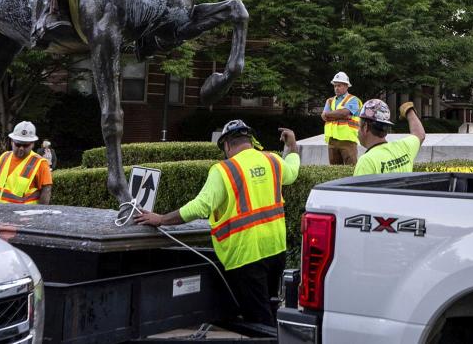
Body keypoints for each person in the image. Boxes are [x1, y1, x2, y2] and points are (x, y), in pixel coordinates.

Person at [135, 120, 300, 325]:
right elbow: (293, 173)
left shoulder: (224, 170)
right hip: (276, 250)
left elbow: (200, 206)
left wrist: (161, 219)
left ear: (227, 145)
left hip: (246, 255)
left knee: (259, 321)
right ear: (250, 140)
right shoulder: (273, 160)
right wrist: (292, 146)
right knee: (271, 306)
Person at [0, 121, 54, 205]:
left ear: (32, 144)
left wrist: (40, 214)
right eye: (18, 144)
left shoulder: (41, 163)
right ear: (12, 142)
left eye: (25, 145)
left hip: (25, 217)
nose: (21, 148)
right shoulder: (4, 157)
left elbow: (46, 191)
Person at [353, 99, 426, 176]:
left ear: (365, 127)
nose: (357, 130)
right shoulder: (403, 147)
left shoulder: (366, 161)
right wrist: (409, 111)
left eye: (358, 125)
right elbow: (420, 134)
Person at [319, 71, 362, 165]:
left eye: (339, 85)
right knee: (334, 172)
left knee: (350, 170)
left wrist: (331, 114)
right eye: (335, 86)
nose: (336, 88)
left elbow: (344, 113)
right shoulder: (330, 101)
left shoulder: (353, 100)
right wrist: (340, 115)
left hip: (348, 140)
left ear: (346, 86)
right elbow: (324, 116)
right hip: (332, 140)